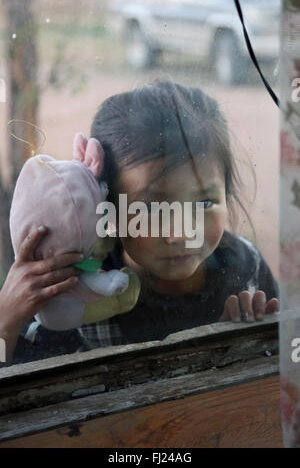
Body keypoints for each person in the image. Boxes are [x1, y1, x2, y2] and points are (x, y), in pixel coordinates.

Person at [0, 79, 279, 366]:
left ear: (227, 191)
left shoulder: (246, 268)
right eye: (152, 208)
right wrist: (6, 320)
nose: (181, 233)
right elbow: (20, 392)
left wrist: (250, 343)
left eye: (204, 203)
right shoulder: (77, 290)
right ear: (107, 209)